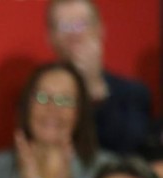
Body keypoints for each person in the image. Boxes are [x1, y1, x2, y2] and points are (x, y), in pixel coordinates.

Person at [47, 0, 151, 155]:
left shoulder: (132, 94)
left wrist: (95, 87)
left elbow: (130, 151)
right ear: (50, 37)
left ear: (100, 30)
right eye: (64, 26)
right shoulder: (40, 94)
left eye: (81, 24)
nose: (74, 35)